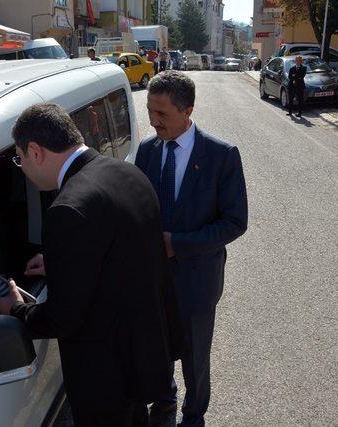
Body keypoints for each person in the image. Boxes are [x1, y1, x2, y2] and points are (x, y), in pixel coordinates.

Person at [0, 103, 184, 426]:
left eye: (19, 159)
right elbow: (124, 253)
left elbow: (64, 318)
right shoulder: (128, 173)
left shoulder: (67, 209)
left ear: (35, 151)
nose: (22, 167)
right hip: (142, 357)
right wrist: (60, 259)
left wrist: (15, 309)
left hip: (104, 379)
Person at [135, 71, 248, 427]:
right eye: (150, 112)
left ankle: (194, 415)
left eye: (162, 114)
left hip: (197, 281)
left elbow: (234, 222)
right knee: (158, 348)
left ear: (188, 111)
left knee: (196, 359)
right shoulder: (147, 151)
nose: (154, 121)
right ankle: (164, 402)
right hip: (153, 280)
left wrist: (178, 244)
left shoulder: (221, 155)